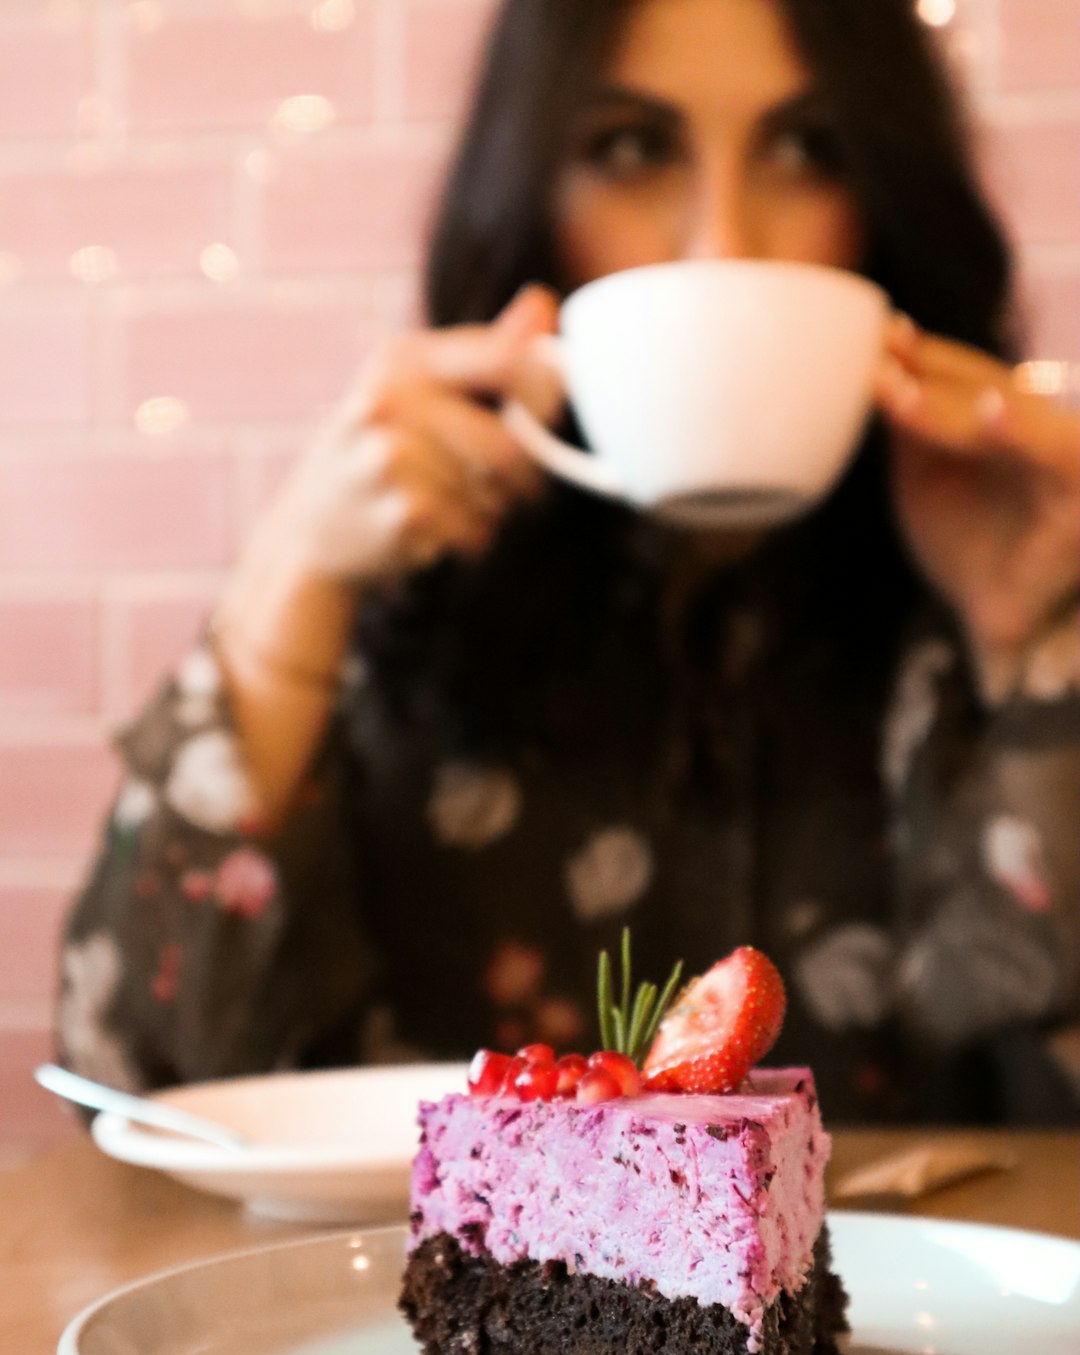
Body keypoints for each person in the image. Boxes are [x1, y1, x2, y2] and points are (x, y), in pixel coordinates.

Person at [58, 0, 1080, 1124]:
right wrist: (281, 598)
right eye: (633, 149)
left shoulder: (980, 599)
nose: (722, 246)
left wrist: (1031, 642)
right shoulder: (399, 603)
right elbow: (131, 1104)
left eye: (809, 149)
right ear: (533, 193)